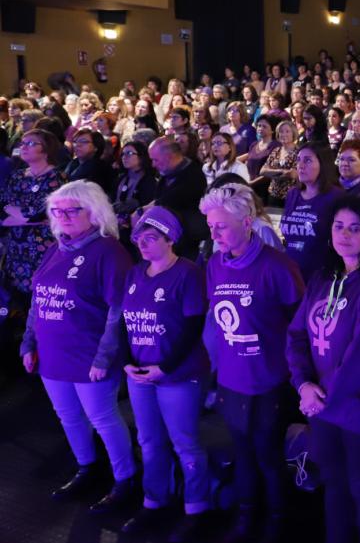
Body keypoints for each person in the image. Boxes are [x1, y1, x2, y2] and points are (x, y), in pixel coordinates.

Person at [286, 195, 360, 543]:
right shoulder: (324, 276)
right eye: (339, 226)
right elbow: (296, 334)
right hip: (323, 406)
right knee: (334, 486)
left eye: (355, 228)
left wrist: (322, 396)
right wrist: (303, 384)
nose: (345, 234)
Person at [19, 181, 135, 513]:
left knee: (102, 417)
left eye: (73, 210)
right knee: (68, 416)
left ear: (94, 212)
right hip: (52, 353)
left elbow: (118, 310)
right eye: (58, 211)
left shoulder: (109, 251)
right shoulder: (57, 247)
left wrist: (104, 356)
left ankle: (125, 479)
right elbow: (37, 300)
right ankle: (88, 468)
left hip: (90, 355)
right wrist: (28, 342)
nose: (64, 217)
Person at [200, 183, 306, 543]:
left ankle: (277, 521)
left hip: (269, 381)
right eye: (210, 226)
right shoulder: (215, 264)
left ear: (247, 223)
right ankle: (246, 517)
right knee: (242, 453)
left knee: (267, 456)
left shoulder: (277, 266)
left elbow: (299, 324)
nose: (214, 234)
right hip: (232, 380)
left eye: (221, 226)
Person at [117, 207, 212, 540]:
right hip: (140, 375)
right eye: (139, 238)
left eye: (151, 238)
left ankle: (197, 507)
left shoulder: (188, 274)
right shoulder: (134, 273)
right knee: (149, 441)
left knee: (185, 443)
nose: (143, 244)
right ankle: (154, 500)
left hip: (178, 375)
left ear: (170, 239)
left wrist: (165, 367)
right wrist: (126, 360)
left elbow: (193, 327)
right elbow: (124, 323)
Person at [0, 129, 66, 300]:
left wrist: (15, 212)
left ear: (46, 148)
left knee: (39, 298)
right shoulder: (16, 176)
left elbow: (37, 213)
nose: (24, 147)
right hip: (15, 249)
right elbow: (3, 211)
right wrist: (28, 219)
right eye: (22, 143)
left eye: (31, 143)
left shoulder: (57, 178)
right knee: (14, 302)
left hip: (42, 249)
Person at [280, 142, 343, 283]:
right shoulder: (293, 194)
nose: (300, 165)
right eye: (298, 160)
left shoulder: (336, 196)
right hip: (290, 272)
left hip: (320, 276)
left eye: (307, 160)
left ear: (323, 164)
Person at [149, 136, 209, 260]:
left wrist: (144, 210)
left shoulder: (193, 176)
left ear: (169, 157)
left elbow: (167, 202)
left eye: (155, 160)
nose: (153, 165)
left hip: (185, 247)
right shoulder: (167, 173)